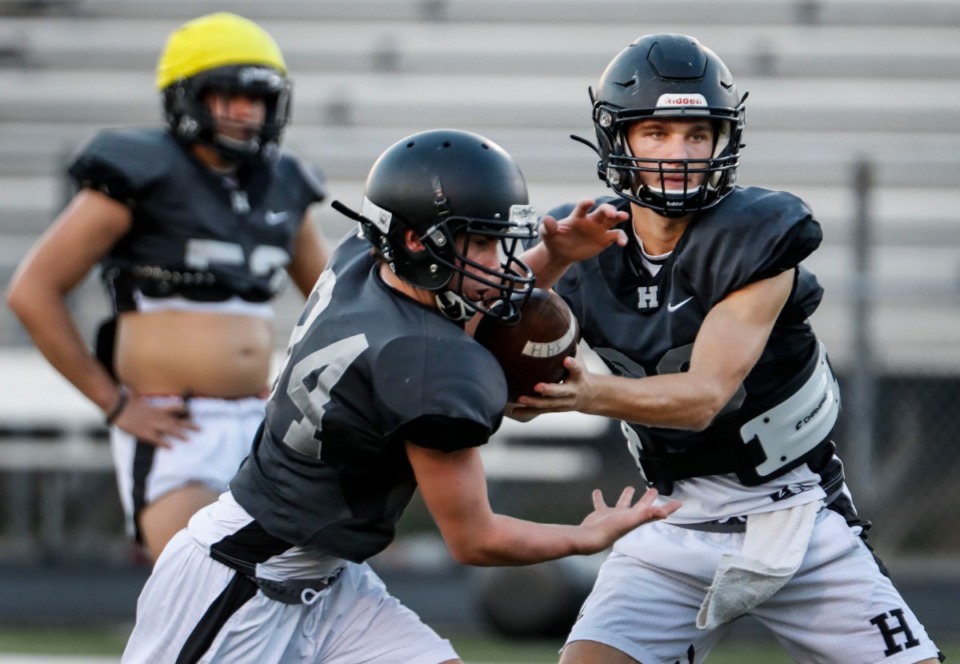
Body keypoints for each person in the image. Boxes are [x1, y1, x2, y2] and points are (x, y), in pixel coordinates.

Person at [118, 128, 679, 663]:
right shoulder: (428, 365)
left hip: (330, 577)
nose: (500, 263)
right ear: (417, 240)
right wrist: (585, 538)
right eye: (481, 242)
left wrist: (556, 256)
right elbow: (475, 539)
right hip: (243, 578)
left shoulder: (365, 259)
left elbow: (456, 297)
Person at [517, 34, 944, 664]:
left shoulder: (758, 233)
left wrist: (584, 393)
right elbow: (488, 355)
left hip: (793, 513)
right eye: (656, 132)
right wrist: (550, 259)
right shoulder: (581, 239)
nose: (679, 153)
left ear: (724, 140)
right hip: (669, 517)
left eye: (697, 133)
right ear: (620, 140)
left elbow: (703, 398)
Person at [5, 12, 330, 562]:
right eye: (229, 95)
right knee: (201, 581)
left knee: (282, 599)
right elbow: (32, 292)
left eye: (258, 98)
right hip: (173, 426)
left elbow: (332, 300)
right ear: (187, 98)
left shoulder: (284, 185)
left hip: (261, 425)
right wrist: (112, 402)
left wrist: (294, 390)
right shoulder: (138, 174)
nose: (247, 111)